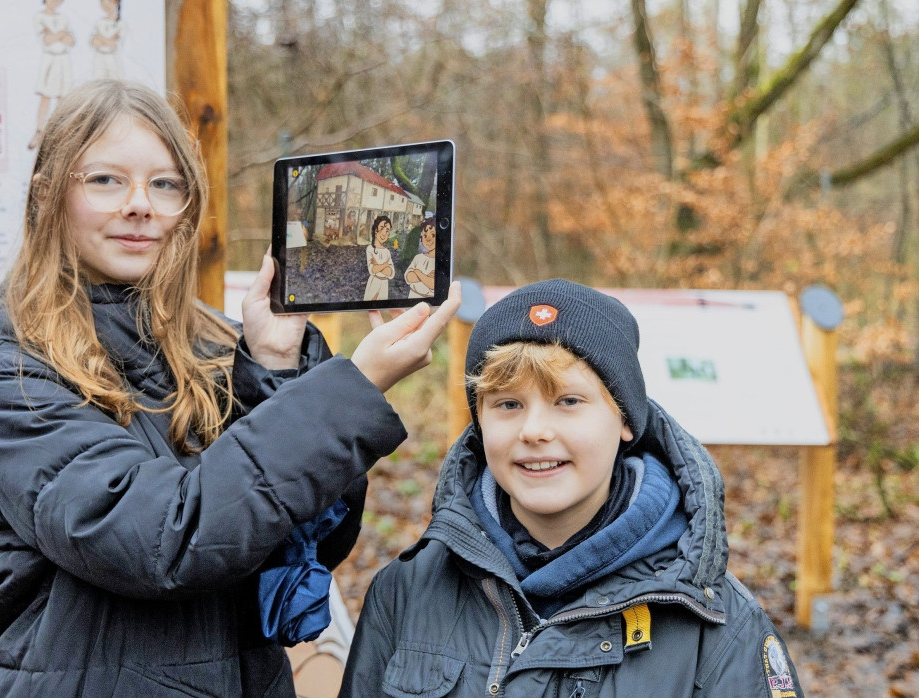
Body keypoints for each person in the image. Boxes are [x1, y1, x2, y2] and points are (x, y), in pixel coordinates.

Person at [0, 80, 461, 697]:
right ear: (47, 196)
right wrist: (354, 387)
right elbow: (160, 542)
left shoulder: (219, 342)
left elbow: (313, 542)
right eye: (105, 180)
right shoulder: (12, 363)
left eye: (164, 183)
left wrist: (274, 368)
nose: (140, 204)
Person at [340, 279, 804, 697]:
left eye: (568, 401)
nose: (534, 430)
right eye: (508, 403)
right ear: (479, 423)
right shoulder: (407, 591)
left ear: (624, 418)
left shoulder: (717, 624)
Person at [29, 0, 74, 150]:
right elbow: (46, 39)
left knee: (63, 98)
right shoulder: (39, 17)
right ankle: (39, 131)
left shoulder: (64, 18)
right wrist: (60, 34)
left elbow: (70, 40)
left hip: (63, 59)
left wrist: (56, 34)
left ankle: (60, 134)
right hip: (50, 59)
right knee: (45, 96)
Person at [404, 217, 437, 299]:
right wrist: (426, 277)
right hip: (412, 296)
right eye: (425, 235)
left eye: (433, 235)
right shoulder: (418, 258)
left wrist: (418, 272)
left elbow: (433, 284)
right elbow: (408, 277)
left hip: (429, 301)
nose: (428, 239)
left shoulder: (440, 262)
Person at [364, 214, 394, 301]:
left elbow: (391, 273)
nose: (384, 233)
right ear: (376, 231)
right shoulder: (370, 249)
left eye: (387, 230)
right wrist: (385, 265)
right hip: (374, 282)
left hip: (384, 284)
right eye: (381, 229)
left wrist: (378, 265)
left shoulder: (387, 252)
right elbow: (372, 270)